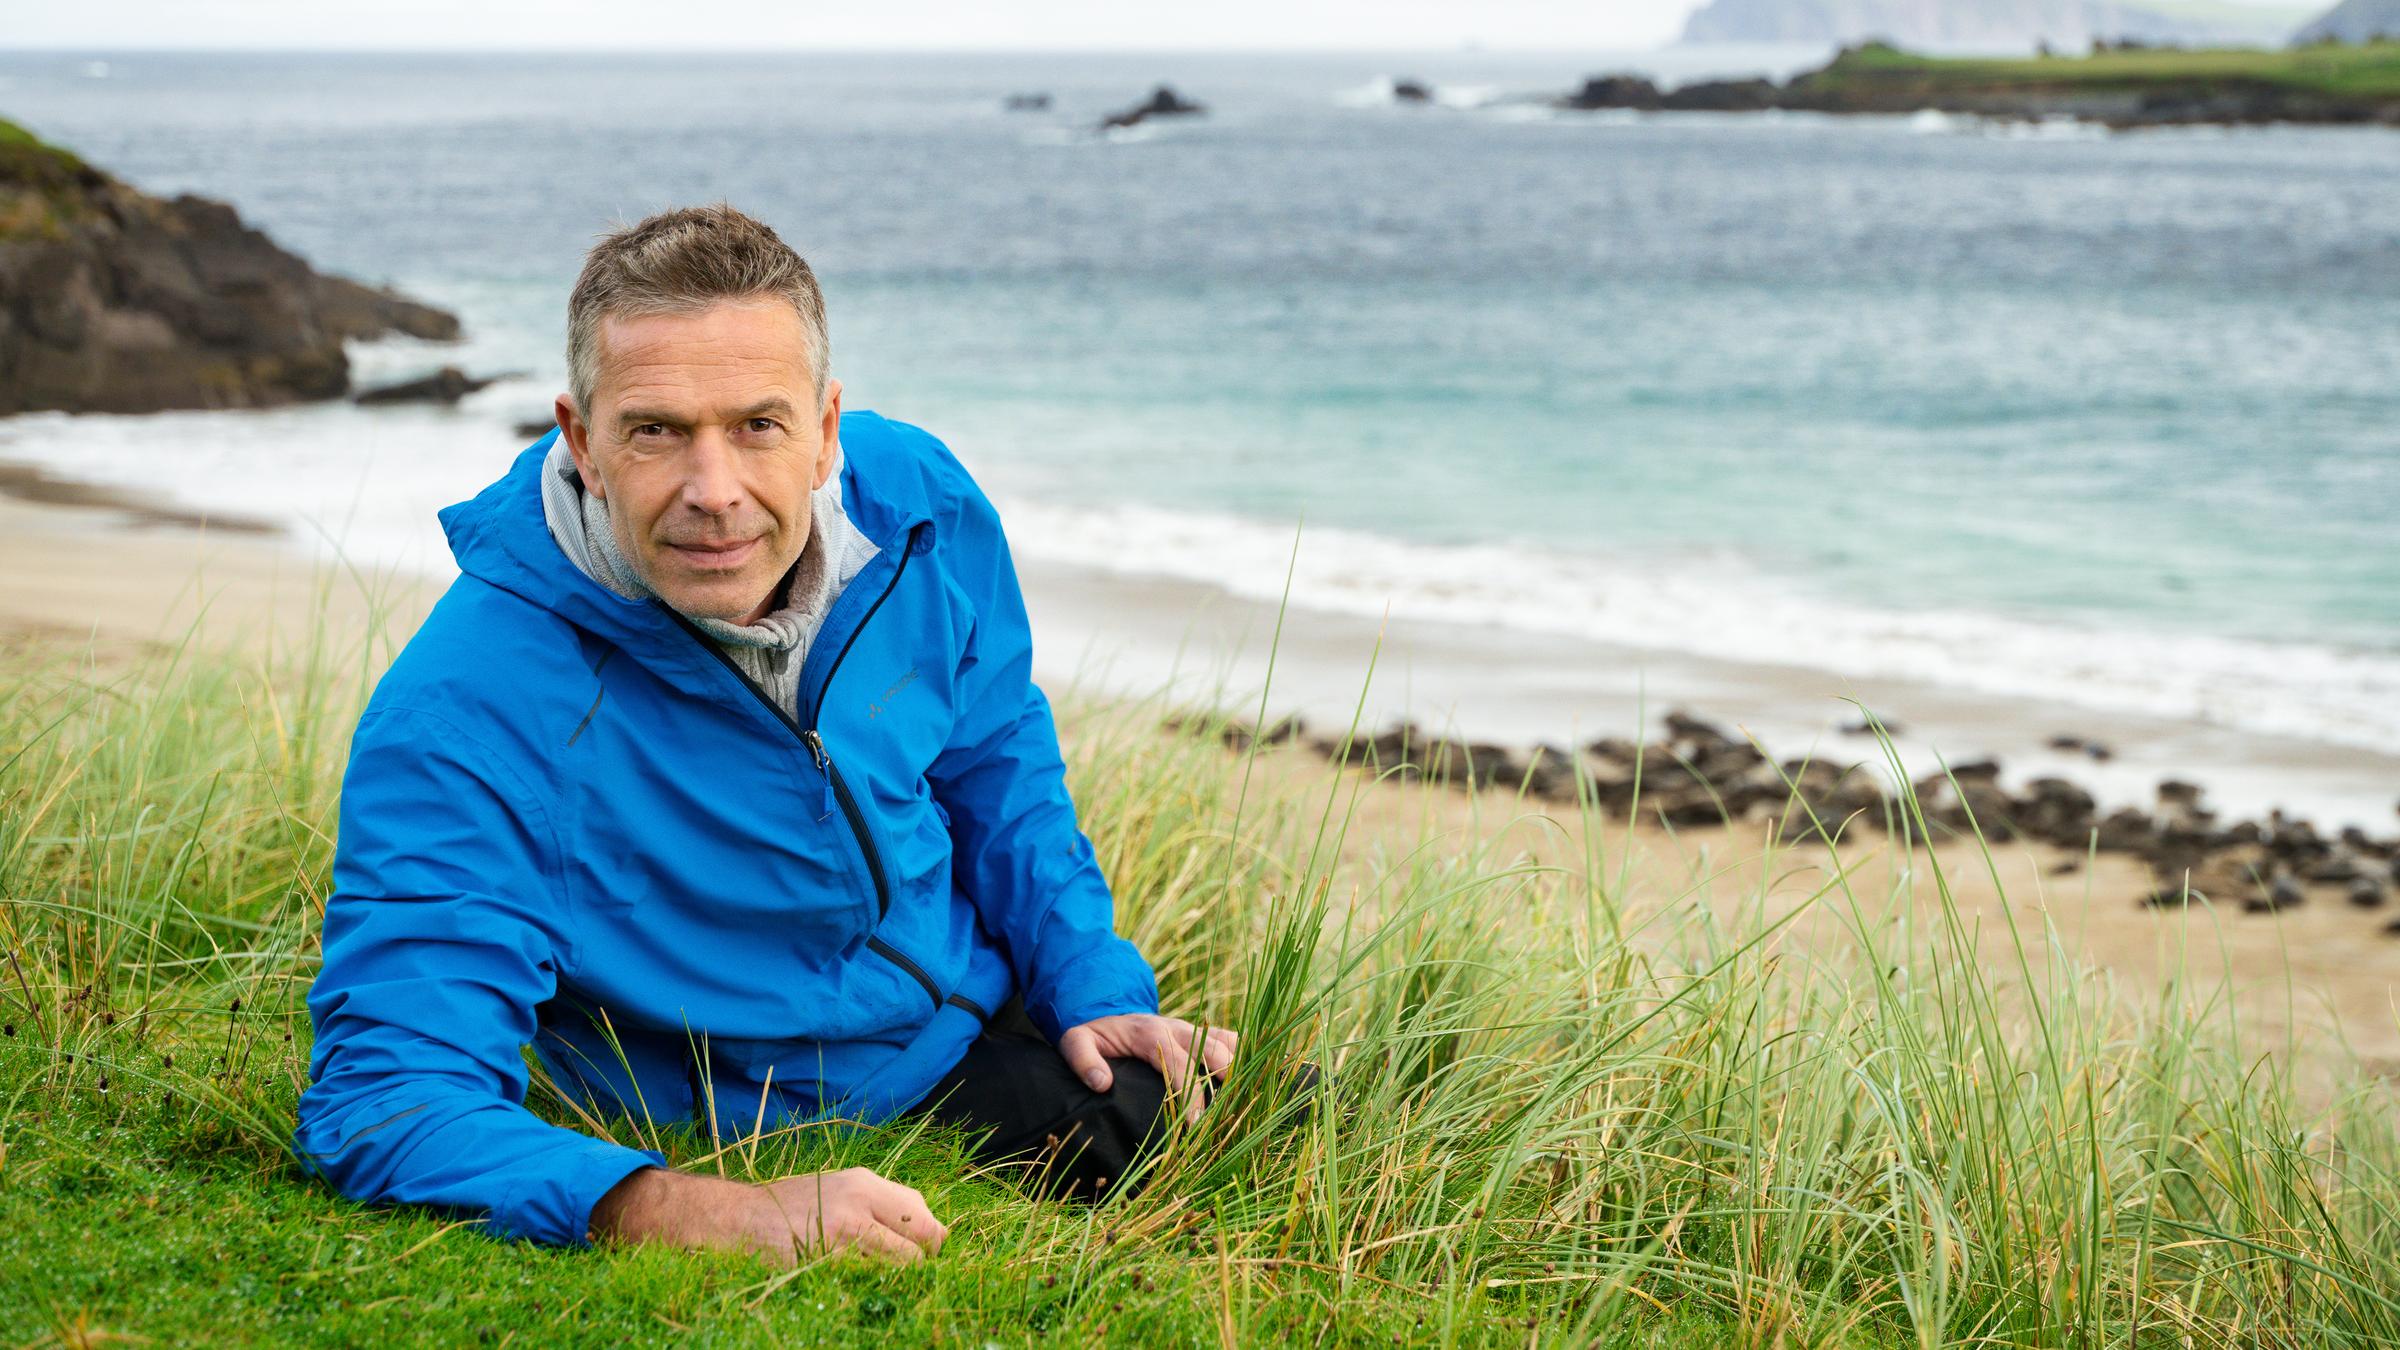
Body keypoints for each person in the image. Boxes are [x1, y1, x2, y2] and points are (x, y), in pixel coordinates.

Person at [292, 203, 1235, 1265]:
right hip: (751, 1106)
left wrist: (1088, 980)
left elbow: (995, 759)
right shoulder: (465, 711)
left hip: (968, 1004)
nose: (714, 492)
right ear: (580, 441)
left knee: (1250, 1116)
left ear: (828, 428)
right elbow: (387, 1102)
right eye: (655, 431)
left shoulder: (919, 509)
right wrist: (713, 1212)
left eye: (758, 425)